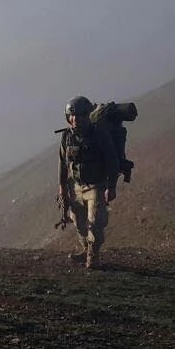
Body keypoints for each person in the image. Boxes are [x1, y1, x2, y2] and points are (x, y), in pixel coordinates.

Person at [57, 95, 120, 270]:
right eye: (72, 115)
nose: (75, 119)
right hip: (75, 186)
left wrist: (111, 186)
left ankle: (93, 256)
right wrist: (62, 188)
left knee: (95, 222)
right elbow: (62, 163)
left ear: (87, 116)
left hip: (96, 186)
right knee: (78, 221)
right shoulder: (66, 137)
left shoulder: (100, 135)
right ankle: (85, 249)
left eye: (80, 115)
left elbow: (112, 161)